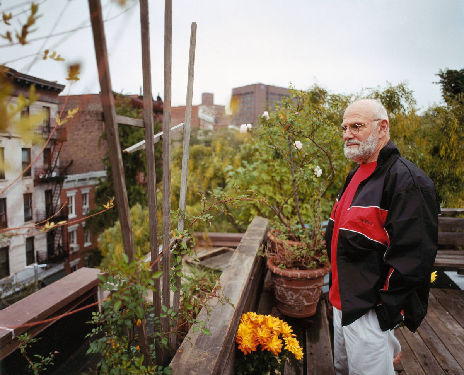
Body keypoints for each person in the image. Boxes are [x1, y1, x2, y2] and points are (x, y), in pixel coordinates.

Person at [325, 99, 439, 375]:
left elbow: (414, 258)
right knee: (342, 368)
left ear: (382, 127)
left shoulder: (407, 181)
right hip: (341, 303)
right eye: (344, 127)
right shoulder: (358, 173)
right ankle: (390, 350)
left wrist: (382, 312)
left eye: (357, 126)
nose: (347, 133)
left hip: (368, 310)